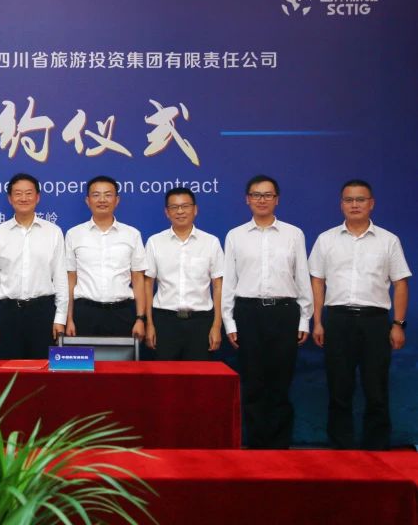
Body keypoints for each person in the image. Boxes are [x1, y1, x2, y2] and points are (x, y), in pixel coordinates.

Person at [309, 179, 410, 450]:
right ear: (341, 204)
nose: (354, 205)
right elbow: (317, 281)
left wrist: (398, 324)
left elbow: (400, 283)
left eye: (360, 199)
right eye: (349, 200)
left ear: (371, 203)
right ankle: (340, 447)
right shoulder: (326, 239)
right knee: (339, 388)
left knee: (376, 388)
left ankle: (377, 447)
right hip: (337, 320)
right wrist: (318, 321)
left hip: (375, 322)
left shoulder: (388, 240)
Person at [222, 174, 312, 449]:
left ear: (277, 199)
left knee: (280, 382)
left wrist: (304, 319)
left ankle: (280, 445)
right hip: (248, 313)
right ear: (247, 199)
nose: (262, 200)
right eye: (256, 195)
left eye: (268, 195)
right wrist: (230, 322)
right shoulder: (235, 236)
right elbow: (229, 282)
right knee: (253, 382)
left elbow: (302, 277)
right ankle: (256, 444)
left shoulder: (293, 234)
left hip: (284, 314)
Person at [0, 173, 68, 359]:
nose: (23, 198)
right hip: (8, 313)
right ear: (10, 198)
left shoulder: (53, 232)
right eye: (18, 193)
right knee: (9, 370)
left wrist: (60, 318)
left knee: (43, 369)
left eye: (29, 193)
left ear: (37, 197)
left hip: (42, 312)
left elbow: (60, 278)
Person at [64, 175, 146, 344]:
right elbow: (70, 279)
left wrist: (140, 318)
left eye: (108, 195)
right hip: (85, 313)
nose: (102, 200)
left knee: (122, 361)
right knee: (84, 361)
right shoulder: (74, 234)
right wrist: (69, 318)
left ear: (117, 200)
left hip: (122, 313)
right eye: (96, 195)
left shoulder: (132, 234)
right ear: (88, 201)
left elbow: (138, 279)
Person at [144, 188, 224, 360]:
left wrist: (217, 325)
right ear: (167, 212)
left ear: (195, 209)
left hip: (201, 322)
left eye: (185, 206)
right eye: (174, 207)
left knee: (198, 375)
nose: (180, 211)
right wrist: (149, 324)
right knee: (164, 375)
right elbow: (147, 285)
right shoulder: (154, 242)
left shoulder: (211, 242)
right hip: (164, 321)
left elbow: (218, 285)